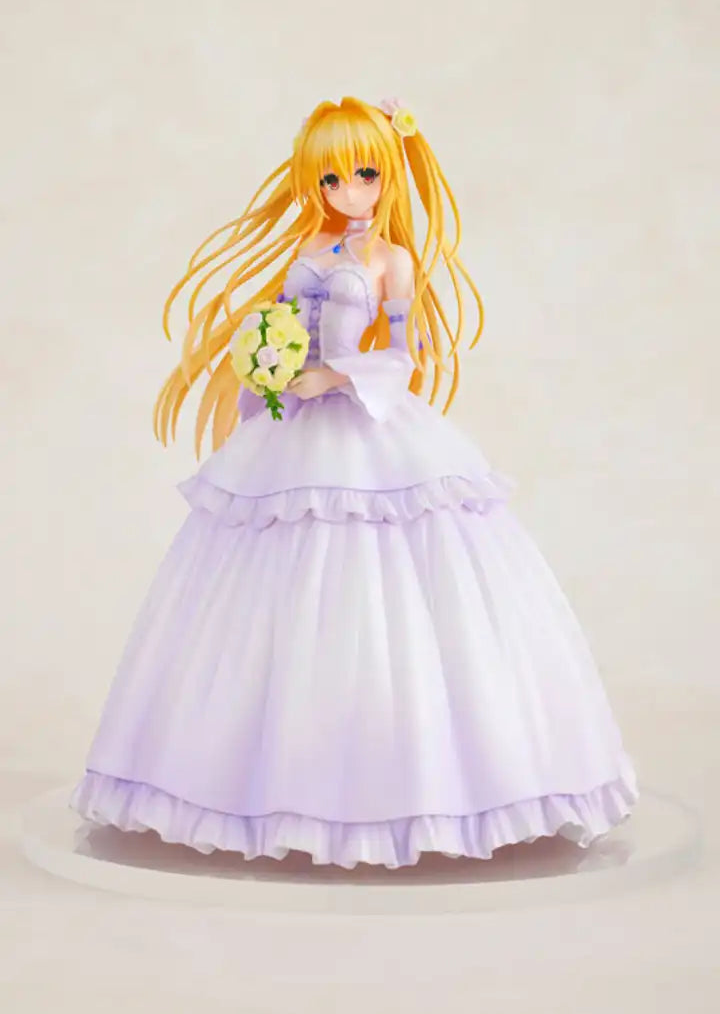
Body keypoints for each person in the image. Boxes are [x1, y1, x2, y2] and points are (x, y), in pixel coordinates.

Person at [69, 95, 639, 870]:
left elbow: (402, 357)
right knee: (264, 587)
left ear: (388, 174)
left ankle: (408, 792)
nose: (348, 191)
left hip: (359, 418)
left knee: (381, 583)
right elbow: (278, 323)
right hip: (290, 433)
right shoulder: (309, 244)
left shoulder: (391, 261)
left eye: (364, 174)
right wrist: (268, 362)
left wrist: (334, 376)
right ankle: (247, 782)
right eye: (331, 178)